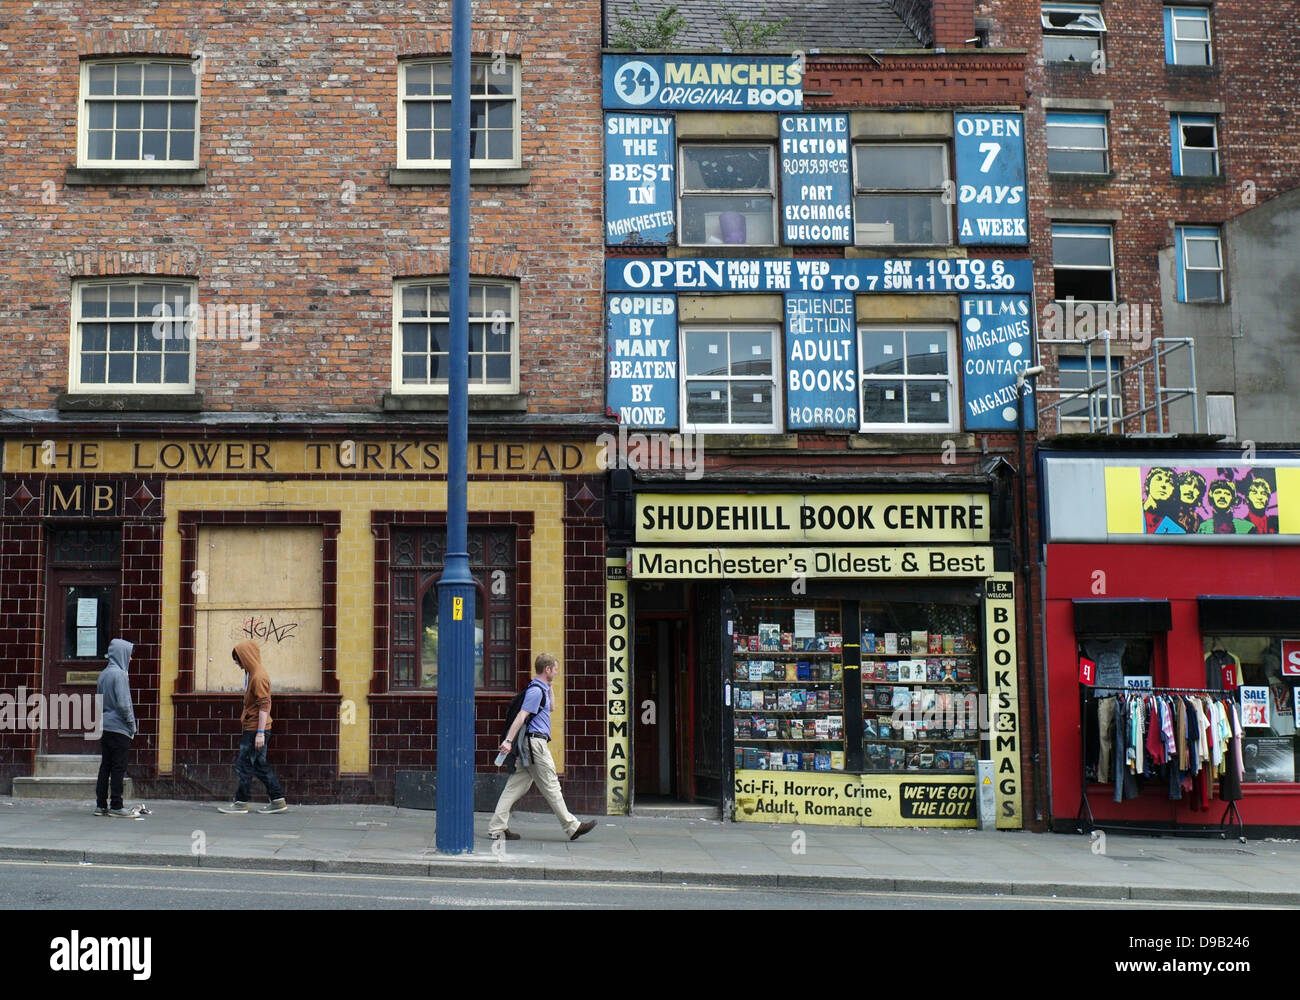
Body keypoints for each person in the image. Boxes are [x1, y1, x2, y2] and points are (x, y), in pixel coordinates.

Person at [488, 653, 595, 842]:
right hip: (535, 744)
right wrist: (508, 741)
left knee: (515, 786)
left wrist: (550, 686)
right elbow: (521, 717)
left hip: (533, 744)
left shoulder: (542, 689)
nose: (557, 672)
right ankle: (572, 826)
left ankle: (497, 828)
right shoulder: (536, 691)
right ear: (547, 669)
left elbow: (552, 707)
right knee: (551, 784)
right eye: (555, 669)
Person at [218, 640, 288, 814]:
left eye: (238, 660)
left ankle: (241, 803)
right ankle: (278, 799)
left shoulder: (258, 677)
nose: (238, 664)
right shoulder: (252, 673)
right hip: (253, 726)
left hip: (255, 728)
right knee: (257, 764)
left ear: (246, 657)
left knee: (244, 765)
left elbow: (265, 705)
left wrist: (260, 733)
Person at [95, 638, 139, 818]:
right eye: (128, 655)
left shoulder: (104, 674)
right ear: (121, 654)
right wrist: (132, 725)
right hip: (119, 728)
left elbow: (98, 701)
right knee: (118, 767)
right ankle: (116, 805)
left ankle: (100, 805)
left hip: (105, 726)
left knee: (105, 766)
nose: (130, 659)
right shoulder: (120, 675)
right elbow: (124, 704)